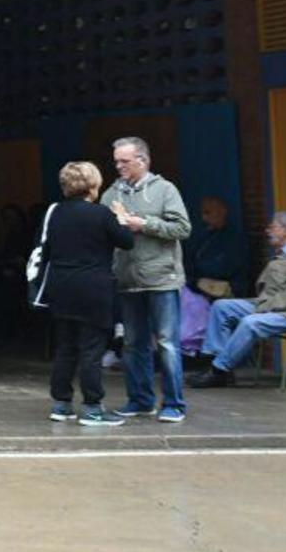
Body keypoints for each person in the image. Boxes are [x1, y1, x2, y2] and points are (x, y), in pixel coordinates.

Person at [102, 136, 192, 422]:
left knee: (166, 343)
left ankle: (174, 404)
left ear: (143, 160)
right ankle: (140, 400)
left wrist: (145, 224)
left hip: (162, 278)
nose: (119, 166)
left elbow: (182, 228)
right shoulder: (111, 194)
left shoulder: (165, 190)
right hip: (127, 279)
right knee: (132, 343)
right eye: (116, 161)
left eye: (125, 161)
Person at [37, 161, 134, 425]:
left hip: (61, 286)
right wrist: (122, 218)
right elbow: (127, 241)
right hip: (94, 287)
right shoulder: (101, 214)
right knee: (91, 350)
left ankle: (61, 404)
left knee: (66, 347)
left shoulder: (55, 212)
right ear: (93, 184)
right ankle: (92, 407)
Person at [193, 211, 286, 388]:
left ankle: (219, 370)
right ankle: (216, 363)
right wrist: (265, 305)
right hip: (271, 306)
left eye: (273, 227)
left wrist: (266, 307)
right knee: (222, 306)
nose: (268, 231)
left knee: (251, 323)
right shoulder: (284, 252)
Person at [185, 196, 250, 300]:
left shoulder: (234, 238)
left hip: (225, 292)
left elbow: (223, 268)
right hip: (202, 289)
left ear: (222, 212)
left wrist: (197, 279)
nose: (204, 218)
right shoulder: (205, 237)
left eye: (208, 213)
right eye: (202, 213)